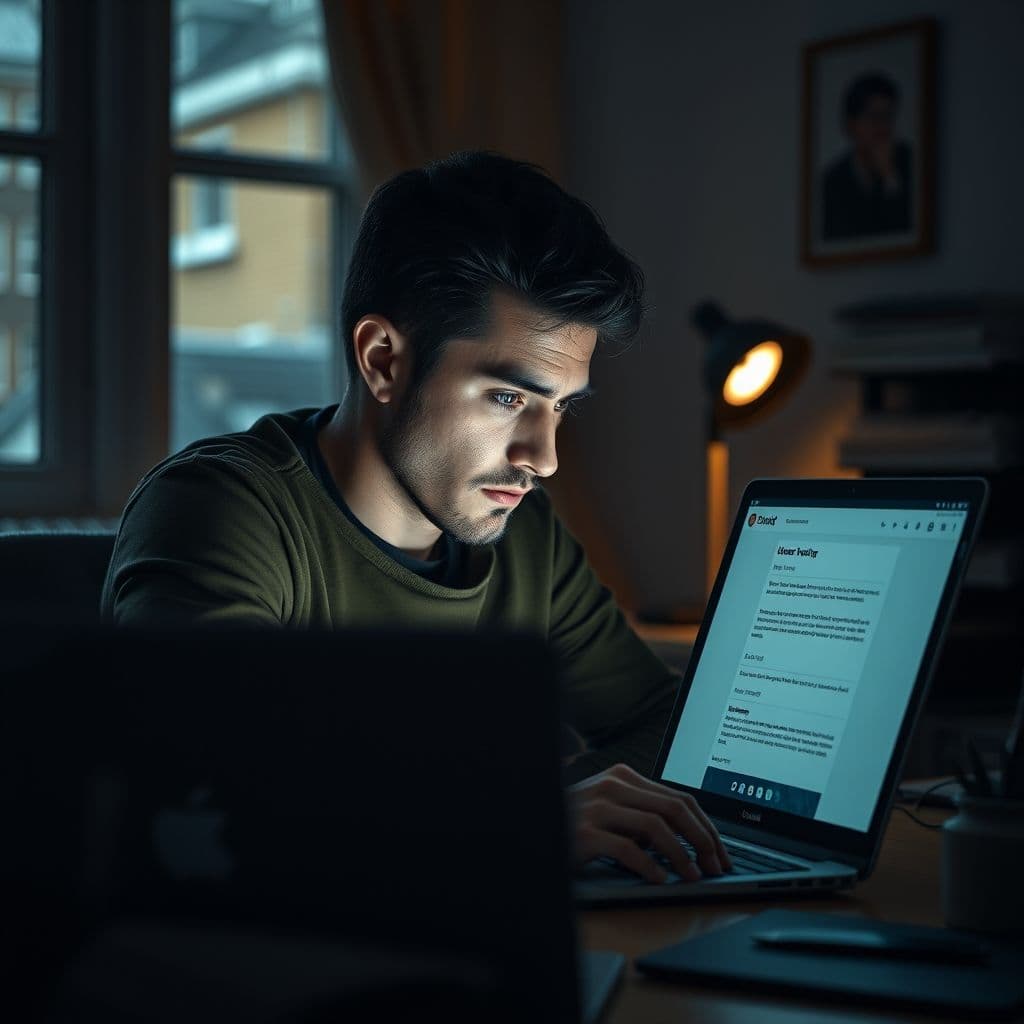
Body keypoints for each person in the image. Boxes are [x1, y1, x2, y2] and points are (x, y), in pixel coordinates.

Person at [101, 151, 730, 884]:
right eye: (508, 398)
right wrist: (513, 820)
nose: (544, 457)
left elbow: (663, 727)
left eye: (560, 407)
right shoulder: (218, 507)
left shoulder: (524, 534)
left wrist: (542, 811)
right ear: (383, 360)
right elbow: (214, 789)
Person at [822, 72, 913, 241]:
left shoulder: (910, 165)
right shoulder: (832, 180)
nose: (883, 128)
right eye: (874, 118)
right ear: (851, 125)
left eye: (888, 117)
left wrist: (890, 177)